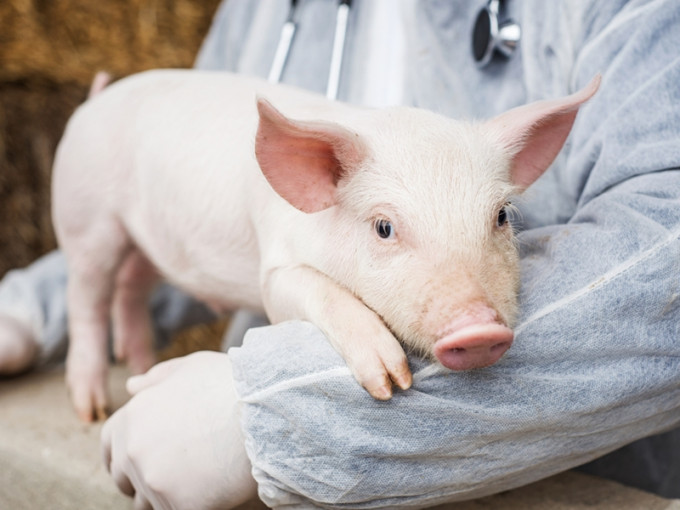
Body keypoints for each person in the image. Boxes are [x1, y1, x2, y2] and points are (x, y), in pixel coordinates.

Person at [1, 0, 679, 508]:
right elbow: (178, 208)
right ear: (307, 165)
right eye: (386, 228)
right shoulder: (260, 13)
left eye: (502, 217)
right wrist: (36, 313)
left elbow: (665, 246)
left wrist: (271, 408)